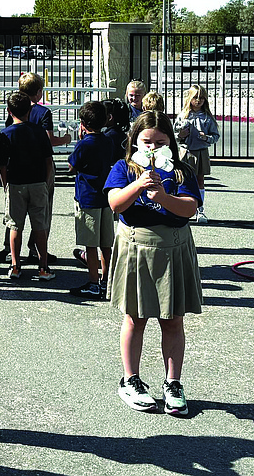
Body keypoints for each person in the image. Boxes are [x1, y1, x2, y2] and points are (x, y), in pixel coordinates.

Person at [104, 111, 202, 416]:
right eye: (146, 141)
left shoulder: (181, 170)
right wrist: (139, 184)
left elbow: (190, 208)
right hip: (137, 246)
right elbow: (116, 203)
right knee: (135, 317)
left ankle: (173, 383)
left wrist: (162, 197)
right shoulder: (124, 167)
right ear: (135, 141)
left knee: (173, 319)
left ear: (170, 143)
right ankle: (130, 379)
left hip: (173, 247)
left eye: (160, 142)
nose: (152, 147)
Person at [0, 72, 70, 264]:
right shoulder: (43, 112)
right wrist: (66, 139)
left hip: (16, 173)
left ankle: (11, 253)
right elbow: (49, 140)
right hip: (38, 168)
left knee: (14, 218)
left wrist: (4, 181)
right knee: (42, 214)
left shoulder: (13, 108)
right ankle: (36, 251)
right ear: (38, 92)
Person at [0, 91, 55, 281]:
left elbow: (1, 164)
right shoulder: (38, 131)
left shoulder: (5, 134)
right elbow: (48, 161)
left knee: (15, 226)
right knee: (40, 226)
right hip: (38, 183)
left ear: (8, 111)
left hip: (16, 184)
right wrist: (46, 182)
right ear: (29, 110)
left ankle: (15, 265)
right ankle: (43, 267)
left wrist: (6, 184)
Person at [67, 101, 115, 299]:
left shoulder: (84, 144)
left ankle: (93, 282)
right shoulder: (108, 141)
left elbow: (72, 167)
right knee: (106, 244)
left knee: (90, 244)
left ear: (83, 123)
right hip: (106, 196)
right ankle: (107, 281)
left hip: (88, 197)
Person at [174, 85, 219, 224]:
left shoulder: (207, 118)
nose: (198, 101)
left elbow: (215, 136)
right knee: (182, 180)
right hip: (185, 152)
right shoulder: (183, 116)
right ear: (189, 99)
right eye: (195, 97)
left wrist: (206, 138)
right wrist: (180, 135)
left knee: (200, 181)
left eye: (201, 98)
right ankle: (180, 209)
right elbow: (174, 135)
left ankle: (200, 210)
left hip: (201, 152)